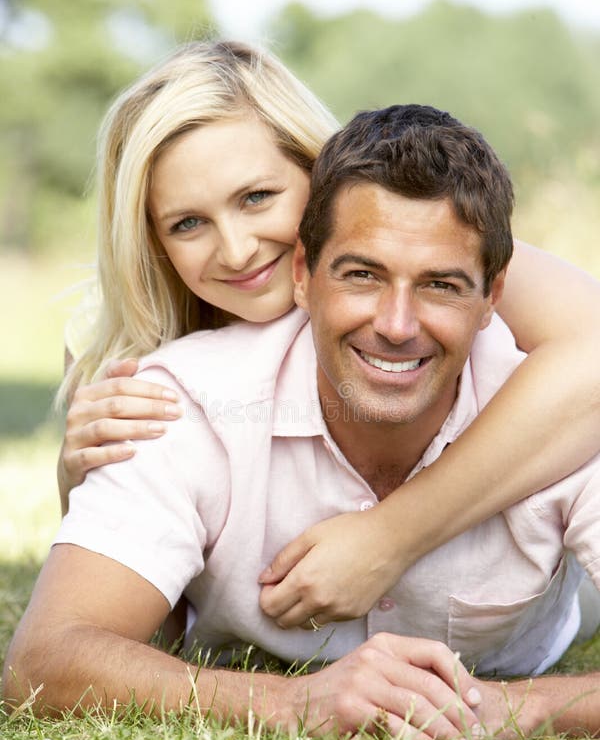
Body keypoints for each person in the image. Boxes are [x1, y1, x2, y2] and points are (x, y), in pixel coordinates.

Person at [5, 103, 600, 740]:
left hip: (553, 614)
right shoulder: (177, 402)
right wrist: (292, 704)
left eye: (441, 285)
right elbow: (41, 663)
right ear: (303, 272)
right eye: (361, 274)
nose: (397, 326)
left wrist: (517, 707)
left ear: (494, 298)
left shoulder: (552, 406)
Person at [55, 41, 600, 633]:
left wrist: (389, 537)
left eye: (257, 197)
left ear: (314, 173)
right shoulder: (130, 364)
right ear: (152, 239)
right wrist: (74, 480)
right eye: (188, 223)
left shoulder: (424, 245)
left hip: (520, 599)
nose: (237, 250)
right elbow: (148, 630)